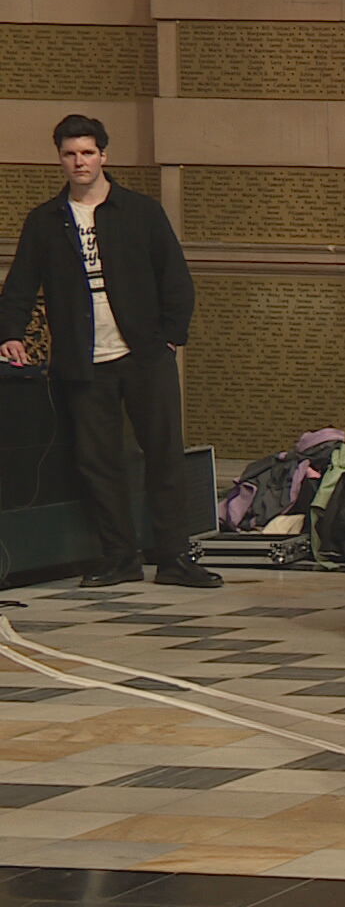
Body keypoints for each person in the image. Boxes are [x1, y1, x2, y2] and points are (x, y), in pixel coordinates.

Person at [0, 115, 220, 590]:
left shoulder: (140, 211)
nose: (79, 161)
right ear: (60, 158)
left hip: (144, 355)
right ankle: (119, 558)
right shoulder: (44, 221)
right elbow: (20, 285)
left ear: (104, 155)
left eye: (87, 152)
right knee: (98, 463)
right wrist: (10, 332)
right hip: (82, 362)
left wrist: (170, 335)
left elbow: (175, 277)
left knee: (162, 456)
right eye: (70, 154)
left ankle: (174, 557)